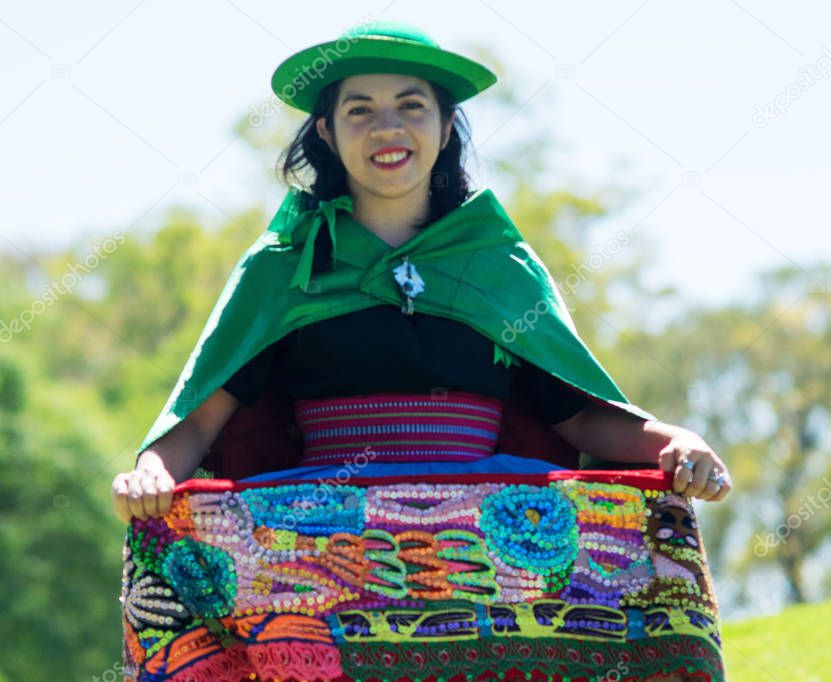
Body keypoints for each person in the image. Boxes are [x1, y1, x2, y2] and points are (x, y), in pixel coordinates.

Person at [112, 20, 731, 682]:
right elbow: (203, 418)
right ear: (325, 131)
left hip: (497, 555)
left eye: (411, 106)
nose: (387, 128)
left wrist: (675, 442)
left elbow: (578, 415)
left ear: (445, 123)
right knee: (165, 551)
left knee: (659, 540)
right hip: (324, 553)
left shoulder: (499, 266)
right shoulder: (283, 268)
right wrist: (152, 469)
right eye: (360, 110)